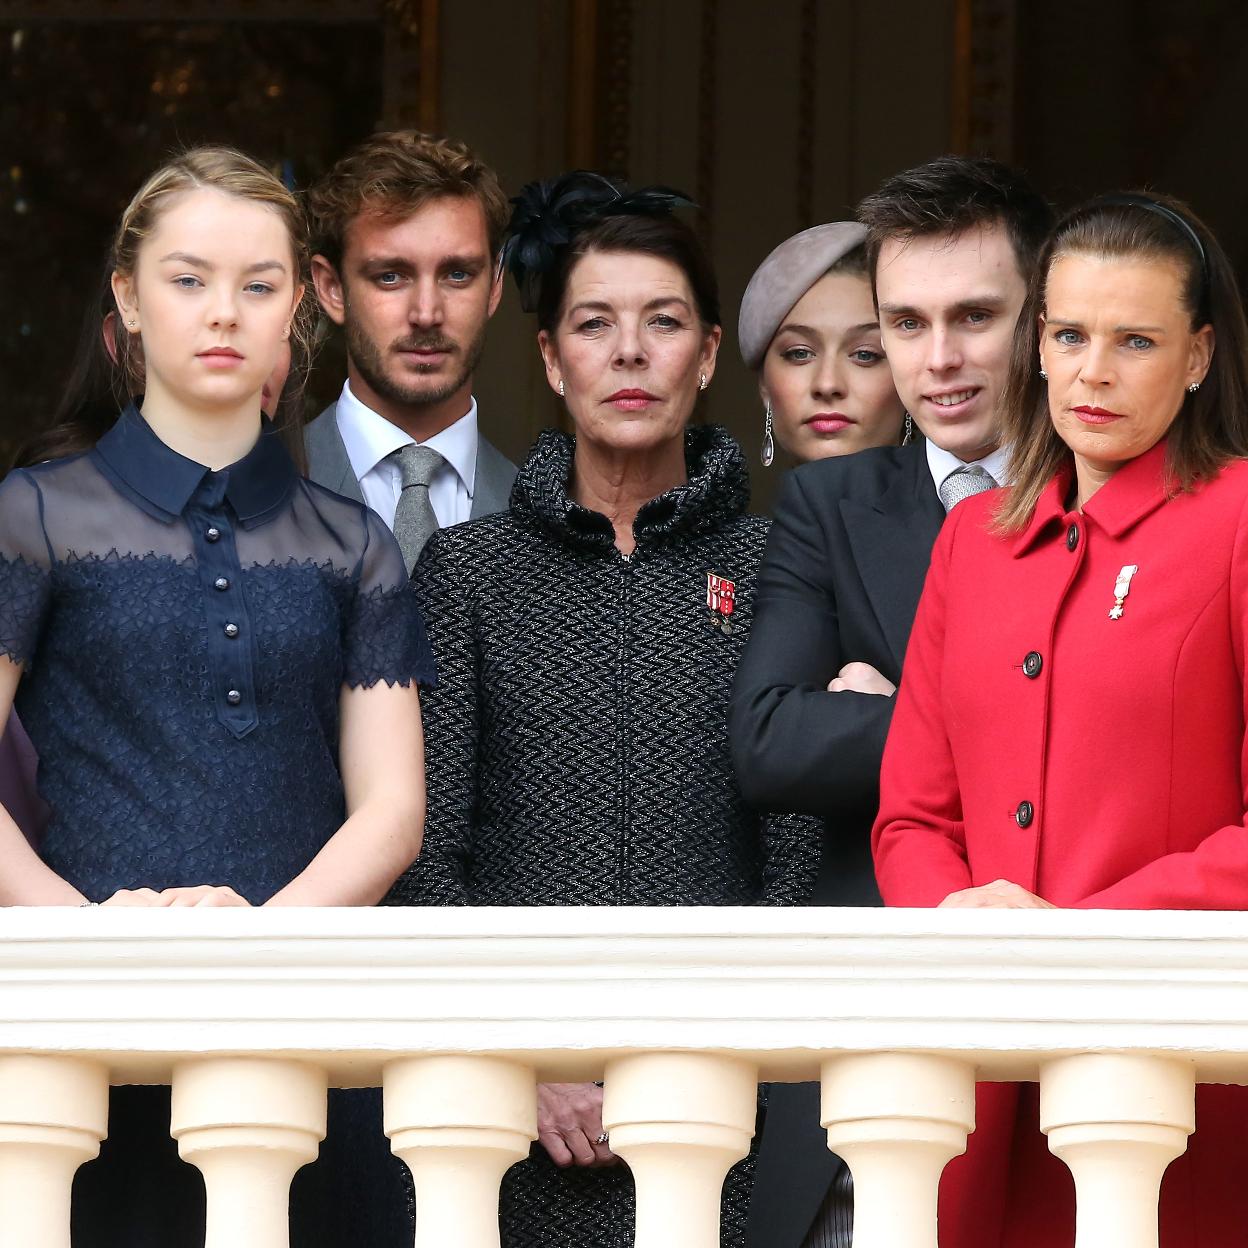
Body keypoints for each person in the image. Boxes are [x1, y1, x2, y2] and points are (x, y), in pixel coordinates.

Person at [0, 146, 433, 1247]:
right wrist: (85, 934)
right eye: (188, 279)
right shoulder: (36, 516)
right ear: (128, 299)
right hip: (89, 1033)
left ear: (301, 306)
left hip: (304, 1028)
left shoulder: (354, 544)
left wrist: (261, 948)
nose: (223, 312)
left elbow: (391, 812)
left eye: (259, 284)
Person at [388, 170, 820, 1248]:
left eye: (663, 322)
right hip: (499, 1121)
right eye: (595, 323)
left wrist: (685, 1061)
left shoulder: (778, 570)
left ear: (709, 353)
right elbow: (422, 859)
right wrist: (531, 1066)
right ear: (550, 357)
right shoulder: (467, 572)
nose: (630, 352)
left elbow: (796, 864)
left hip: (715, 1115)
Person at [873, 191, 1248, 1247]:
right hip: (978, 1084)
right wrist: (963, 928)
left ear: (1199, 356)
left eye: (1137, 341)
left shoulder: (1235, 522)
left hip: (1174, 1087)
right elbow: (911, 818)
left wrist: (1084, 936)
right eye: (1072, 335)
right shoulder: (974, 545)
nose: (1095, 370)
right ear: (1038, 343)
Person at [732, 156, 1053, 1248]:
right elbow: (771, 743)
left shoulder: (1111, 488)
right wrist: (1006, 727)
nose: (940, 359)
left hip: (1076, 1009)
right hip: (876, 1026)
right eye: (906, 325)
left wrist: (904, 705)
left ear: (1044, 319)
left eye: (976, 317)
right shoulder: (830, 503)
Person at [305, 130, 517, 569]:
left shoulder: (550, 519)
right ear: (332, 289)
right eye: (390, 276)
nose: (426, 313)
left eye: (457, 274)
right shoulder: (255, 490)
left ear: (495, 285)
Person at [738, 222, 905, 466]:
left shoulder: (967, 504)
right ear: (765, 385)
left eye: (865, 355)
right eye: (799, 353)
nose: (827, 385)